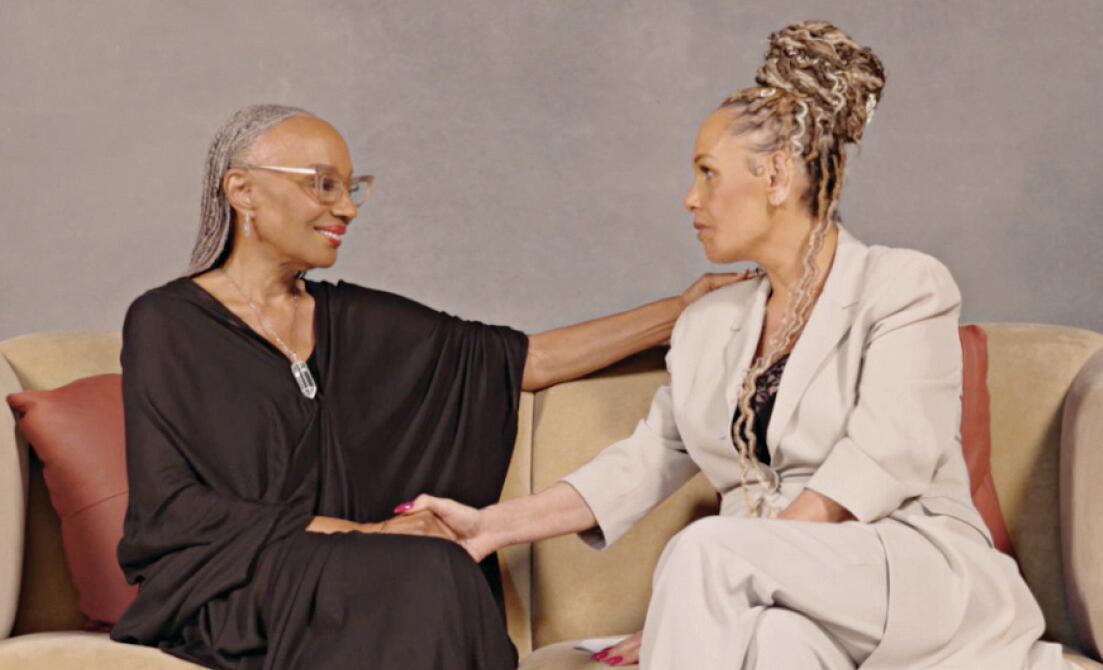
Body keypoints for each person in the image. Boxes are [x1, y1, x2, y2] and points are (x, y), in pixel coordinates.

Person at [401, 20, 1070, 669]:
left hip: (906, 572)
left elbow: (888, 453)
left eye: (708, 174)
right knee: (775, 644)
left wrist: (711, 592)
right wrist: (492, 525)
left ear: (776, 176)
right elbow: (648, 458)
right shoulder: (708, 324)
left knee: (706, 551)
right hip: (783, 590)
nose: (690, 199)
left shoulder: (903, 286)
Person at [108, 103, 751, 669]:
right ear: (242, 190)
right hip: (232, 582)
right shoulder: (166, 323)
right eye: (322, 184)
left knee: (440, 562)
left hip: (365, 580)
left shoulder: (355, 319)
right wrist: (363, 535)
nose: (346, 207)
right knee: (421, 567)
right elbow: (172, 509)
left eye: (352, 188)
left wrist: (683, 308)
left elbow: (525, 361)